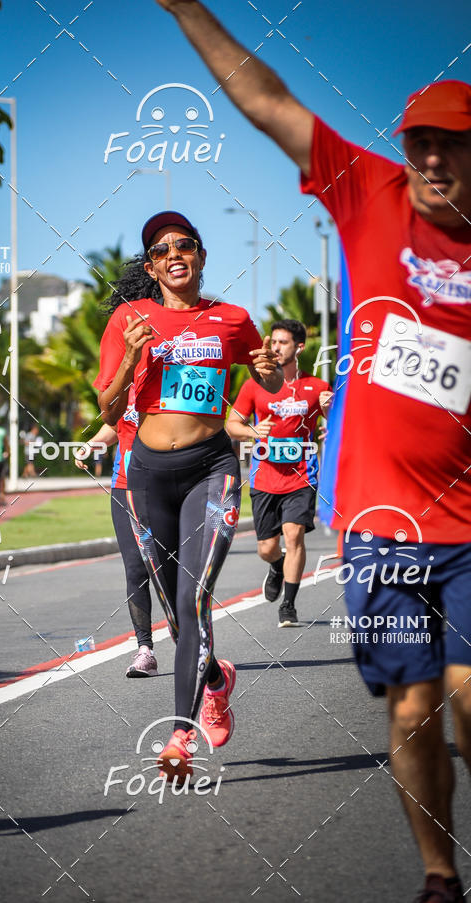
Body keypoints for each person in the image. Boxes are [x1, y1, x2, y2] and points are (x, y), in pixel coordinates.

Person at [155, 4, 471, 899]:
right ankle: (441, 878)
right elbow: (265, 98)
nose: (430, 159)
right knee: (412, 710)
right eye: (418, 142)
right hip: (380, 523)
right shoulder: (367, 190)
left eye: (450, 144)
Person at [96, 210, 282, 781]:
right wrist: (130, 356)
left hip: (211, 468)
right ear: (151, 268)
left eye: (184, 245)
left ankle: (181, 734)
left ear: (200, 257)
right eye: (160, 249)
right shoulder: (129, 317)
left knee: (194, 598)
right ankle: (218, 680)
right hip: (147, 472)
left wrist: (270, 371)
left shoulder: (232, 319)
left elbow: (268, 382)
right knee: (177, 613)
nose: (173, 253)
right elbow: (105, 406)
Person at [226, 319, 332, 626]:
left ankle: (289, 604)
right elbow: (232, 423)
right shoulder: (253, 385)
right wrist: (252, 431)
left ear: (299, 347)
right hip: (265, 476)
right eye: (273, 342)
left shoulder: (317, 387)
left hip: (302, 475)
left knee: (294, 534)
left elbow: (337, 422)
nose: (275, 348)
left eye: (282, 343)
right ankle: (276, 566)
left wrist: (332, 416)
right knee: (267, 548)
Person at [75, 394, 158, 679]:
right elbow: (116, 426)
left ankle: (189, 639)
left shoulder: (171, 371)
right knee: (135, 568)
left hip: (164, 487)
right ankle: (145, 649)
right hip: (124, 486)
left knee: (166, 566)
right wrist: (91, 444)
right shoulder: (122, 386)